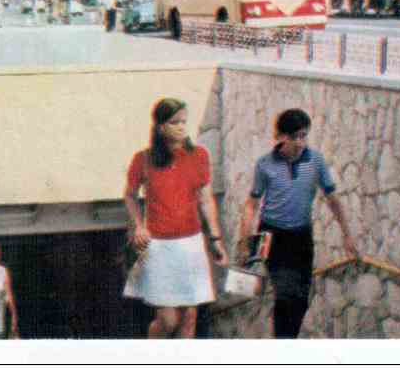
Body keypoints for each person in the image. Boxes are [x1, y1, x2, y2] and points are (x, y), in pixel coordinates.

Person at [237, 109, 358, 339]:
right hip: (273, 235)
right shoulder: (265, 165)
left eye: (304, 135)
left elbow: (333, 200)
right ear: (281, 137)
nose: (301, 142)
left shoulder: (315, 161)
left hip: (301, 237)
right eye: (296, 137)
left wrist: (347, 235)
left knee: (301, 300)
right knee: (285, 293)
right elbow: (251, 205)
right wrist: (245, 241)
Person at [122, 98, 229, 339]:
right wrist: (139, 226)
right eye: (174, 122)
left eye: (184, 121)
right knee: (168, 320)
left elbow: (206, 199)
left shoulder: (199, 155)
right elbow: (129, 196)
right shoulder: (144, 159)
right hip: (159, 248)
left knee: (190, 318)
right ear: (160, 127)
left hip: (190, 245)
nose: (182, 127)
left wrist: (216, 238)